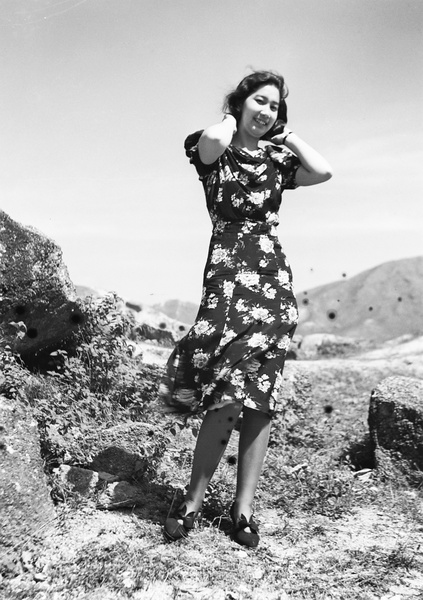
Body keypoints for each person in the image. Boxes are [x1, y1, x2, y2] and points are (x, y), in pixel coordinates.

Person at [159, 70, 332, 548]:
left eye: (274, 106)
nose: (266, 112)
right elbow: (215, 136)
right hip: (229, 279)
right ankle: (192, 503)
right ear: (239, 103)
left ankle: (243, 514)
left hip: (273, 282)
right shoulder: (213, 151)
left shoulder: (277, 161)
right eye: (259, 101)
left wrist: (287, 135)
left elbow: (323, 171)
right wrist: (234, 118)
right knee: (227, 395)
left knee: (262, 401)